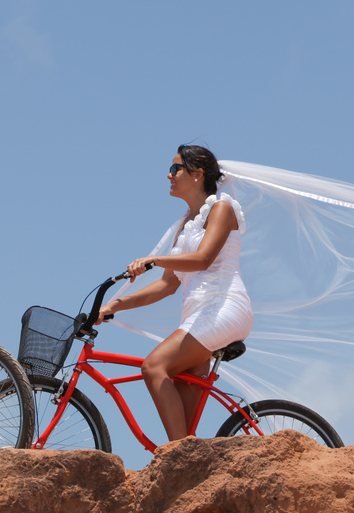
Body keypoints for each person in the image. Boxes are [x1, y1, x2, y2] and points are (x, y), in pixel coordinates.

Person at [97, 145, 253, 442]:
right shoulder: (186, 225)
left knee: (154, 366)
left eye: (175, 169)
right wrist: (114, 305)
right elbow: (167, 285)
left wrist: (154, 260)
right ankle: (186, 462)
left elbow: (204, 258)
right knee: (182, 433)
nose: (168, 175)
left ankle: (177, 462)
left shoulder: (222, 209)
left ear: (197, 174)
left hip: (223, 308)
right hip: (197, 317)